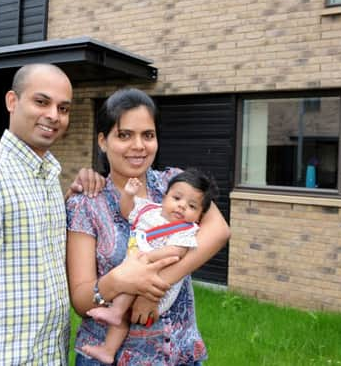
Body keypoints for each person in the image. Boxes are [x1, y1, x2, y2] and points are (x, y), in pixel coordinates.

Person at [0, 63, 103, 365]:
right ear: (12, 101)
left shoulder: (47, 175)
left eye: (63, 108)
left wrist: (74, 195)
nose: (54, 115)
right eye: (42, 102)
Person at [66, 88, 231, 365]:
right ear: (103, 141)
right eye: (124, 135)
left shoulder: (176, 186)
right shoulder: (86, 204)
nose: (139, 146)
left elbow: (219, 230)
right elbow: (82, 299)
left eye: (148, 135)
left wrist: (153, 289)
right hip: (111, 358)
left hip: (179, 352)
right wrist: (121, 281)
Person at [81, 169, 217, 364]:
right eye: (177, 198)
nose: (181, 206)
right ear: (165, 197)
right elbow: (127, 211)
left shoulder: (187, 230)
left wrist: (144, 259)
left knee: (129, 288)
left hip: (157, 288)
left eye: (191, 206)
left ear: (198, 216)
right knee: (125, 304)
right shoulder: (149, 211)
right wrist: (128, 194)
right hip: (136, 274)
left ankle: (115, 312)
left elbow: (175, 252)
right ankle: (108, 350)